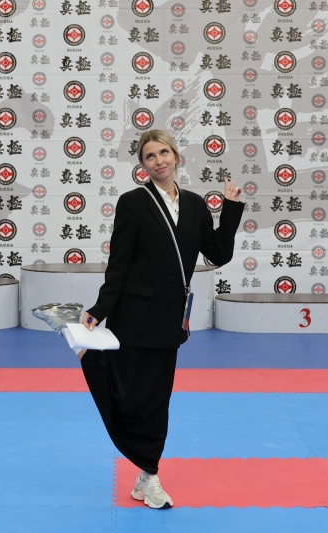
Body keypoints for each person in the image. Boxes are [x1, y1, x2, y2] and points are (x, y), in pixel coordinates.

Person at [79, 129, 244, 509]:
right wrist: (100, 309)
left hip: (169, 318)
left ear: (176, 156)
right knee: (127, 392)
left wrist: (231, 208)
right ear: (142, 165)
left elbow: (218, 254)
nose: (159, 161)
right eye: (150, 156)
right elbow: (119, 263)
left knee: (156, 399)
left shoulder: (196, 205)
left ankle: (148, 476)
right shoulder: (133, 203)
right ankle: (90, 355)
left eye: (164, 153)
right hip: (133, 314)